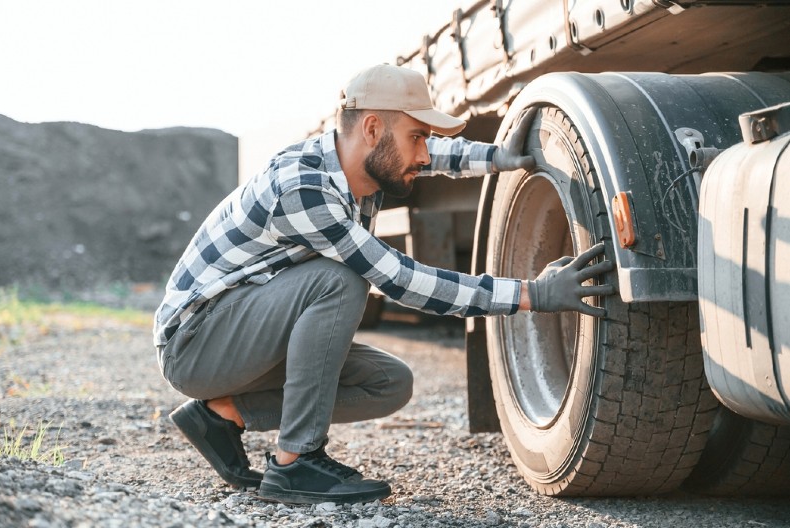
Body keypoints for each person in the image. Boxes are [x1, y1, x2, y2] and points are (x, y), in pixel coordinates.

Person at [153, 64, 615, 505]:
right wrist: (531, 294)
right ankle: (294, 463)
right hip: (195, 342)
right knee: (341, 278)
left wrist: (496, 157)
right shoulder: (303, 190)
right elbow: (399, 279)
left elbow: (432, 158)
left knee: (389, 383)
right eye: (417, 136)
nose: (423, 154)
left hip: (237, 334)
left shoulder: (357, 166)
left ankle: (223, 415)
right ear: (372, 129)